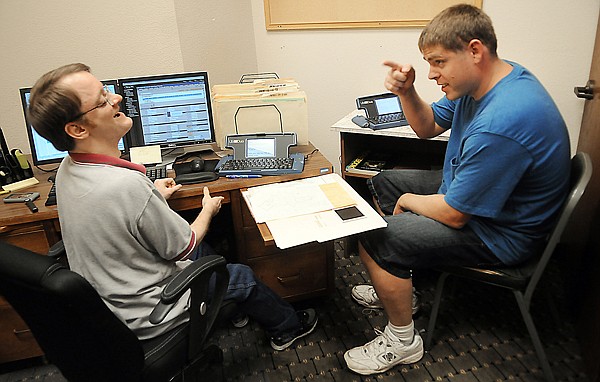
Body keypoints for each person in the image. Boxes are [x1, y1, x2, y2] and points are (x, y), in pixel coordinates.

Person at [344, 4, 571, 375]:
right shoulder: (488, 79)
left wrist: (408, 202)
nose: (431, 73)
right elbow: (428, 126)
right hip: (482, 197)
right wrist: (407, 92)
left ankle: (403, 341)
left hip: (501, 234)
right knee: (384, 181)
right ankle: (402, 282)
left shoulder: (504, 119)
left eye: (438, 62)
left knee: (375, 235)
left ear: (475, 50)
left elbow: (454, 213)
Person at [26, 63, 317, 351]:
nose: (116, 99)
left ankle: (235, 309)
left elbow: (109, 210)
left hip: (108, 299)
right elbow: (186, 246)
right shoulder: (125, 185)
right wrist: (207, 209)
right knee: (241, 274)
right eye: (102, 100)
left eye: (107, 91)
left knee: (211, 252)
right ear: (77, 128)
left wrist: (150, 195)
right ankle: (287, 328)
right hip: (151, 312)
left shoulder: (68, 168)